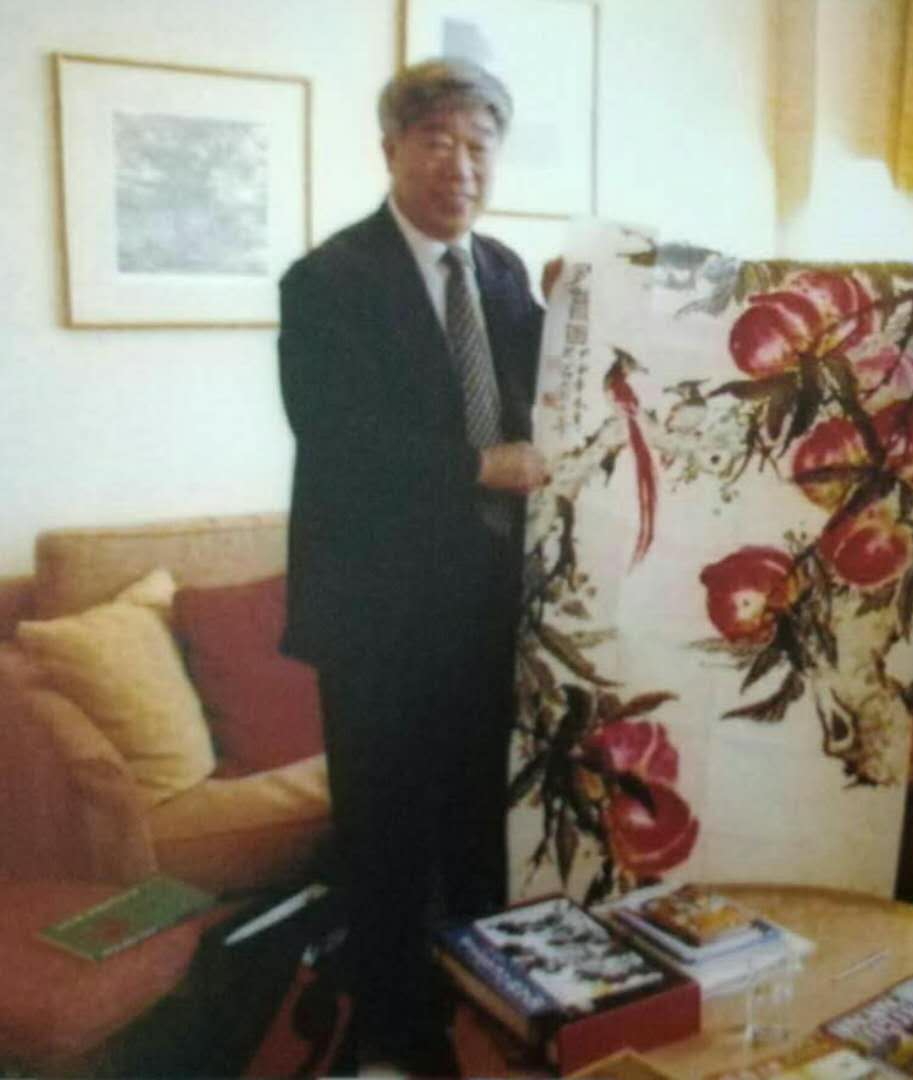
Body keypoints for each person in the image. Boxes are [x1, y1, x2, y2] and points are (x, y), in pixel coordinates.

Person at [277, 57, 548, 1073]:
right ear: (391, 148)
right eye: (437, 140)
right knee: (386, 840)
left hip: (487, 609)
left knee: (481, 825)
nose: (460, 165)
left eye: (479, 145)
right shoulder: (328, 281)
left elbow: (553, 385)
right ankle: (395, 1038)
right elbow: (337, 440)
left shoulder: (505, 271)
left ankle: (484, 1018)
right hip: (379, 622)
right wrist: (480, 465)